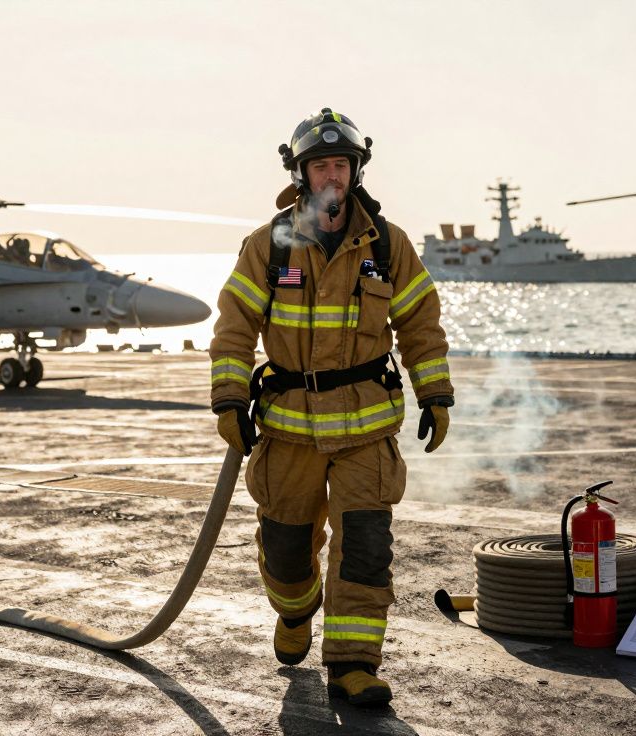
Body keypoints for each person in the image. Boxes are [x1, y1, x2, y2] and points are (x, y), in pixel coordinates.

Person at [208, 108, 454, 707]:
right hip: (288, 433)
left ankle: (353, 664)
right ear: (301, 174)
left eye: (341, 164)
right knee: (288, 555)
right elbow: (235, 328)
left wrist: (436, 393)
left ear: (356, 171)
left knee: (366, 552)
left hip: (367, 433)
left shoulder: (389, 246)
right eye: (320, 165)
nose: (332, 175)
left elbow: (420, 324)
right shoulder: (268, 247)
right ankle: (295, 613)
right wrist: (229, 399)